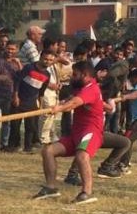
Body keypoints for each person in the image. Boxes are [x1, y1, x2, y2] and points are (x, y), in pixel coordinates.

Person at [34, 61, 104, 204]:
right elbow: (71, 99)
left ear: (85, 75)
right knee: (48, 151)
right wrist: (61, 104)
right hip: (76, 133)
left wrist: (59, 109)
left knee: (82, 155)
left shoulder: (91, 88)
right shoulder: (82, 88)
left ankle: (87, 192)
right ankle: (51, 187)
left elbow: (74, 103)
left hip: (91, 131)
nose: (72, 77)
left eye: (75, 74)